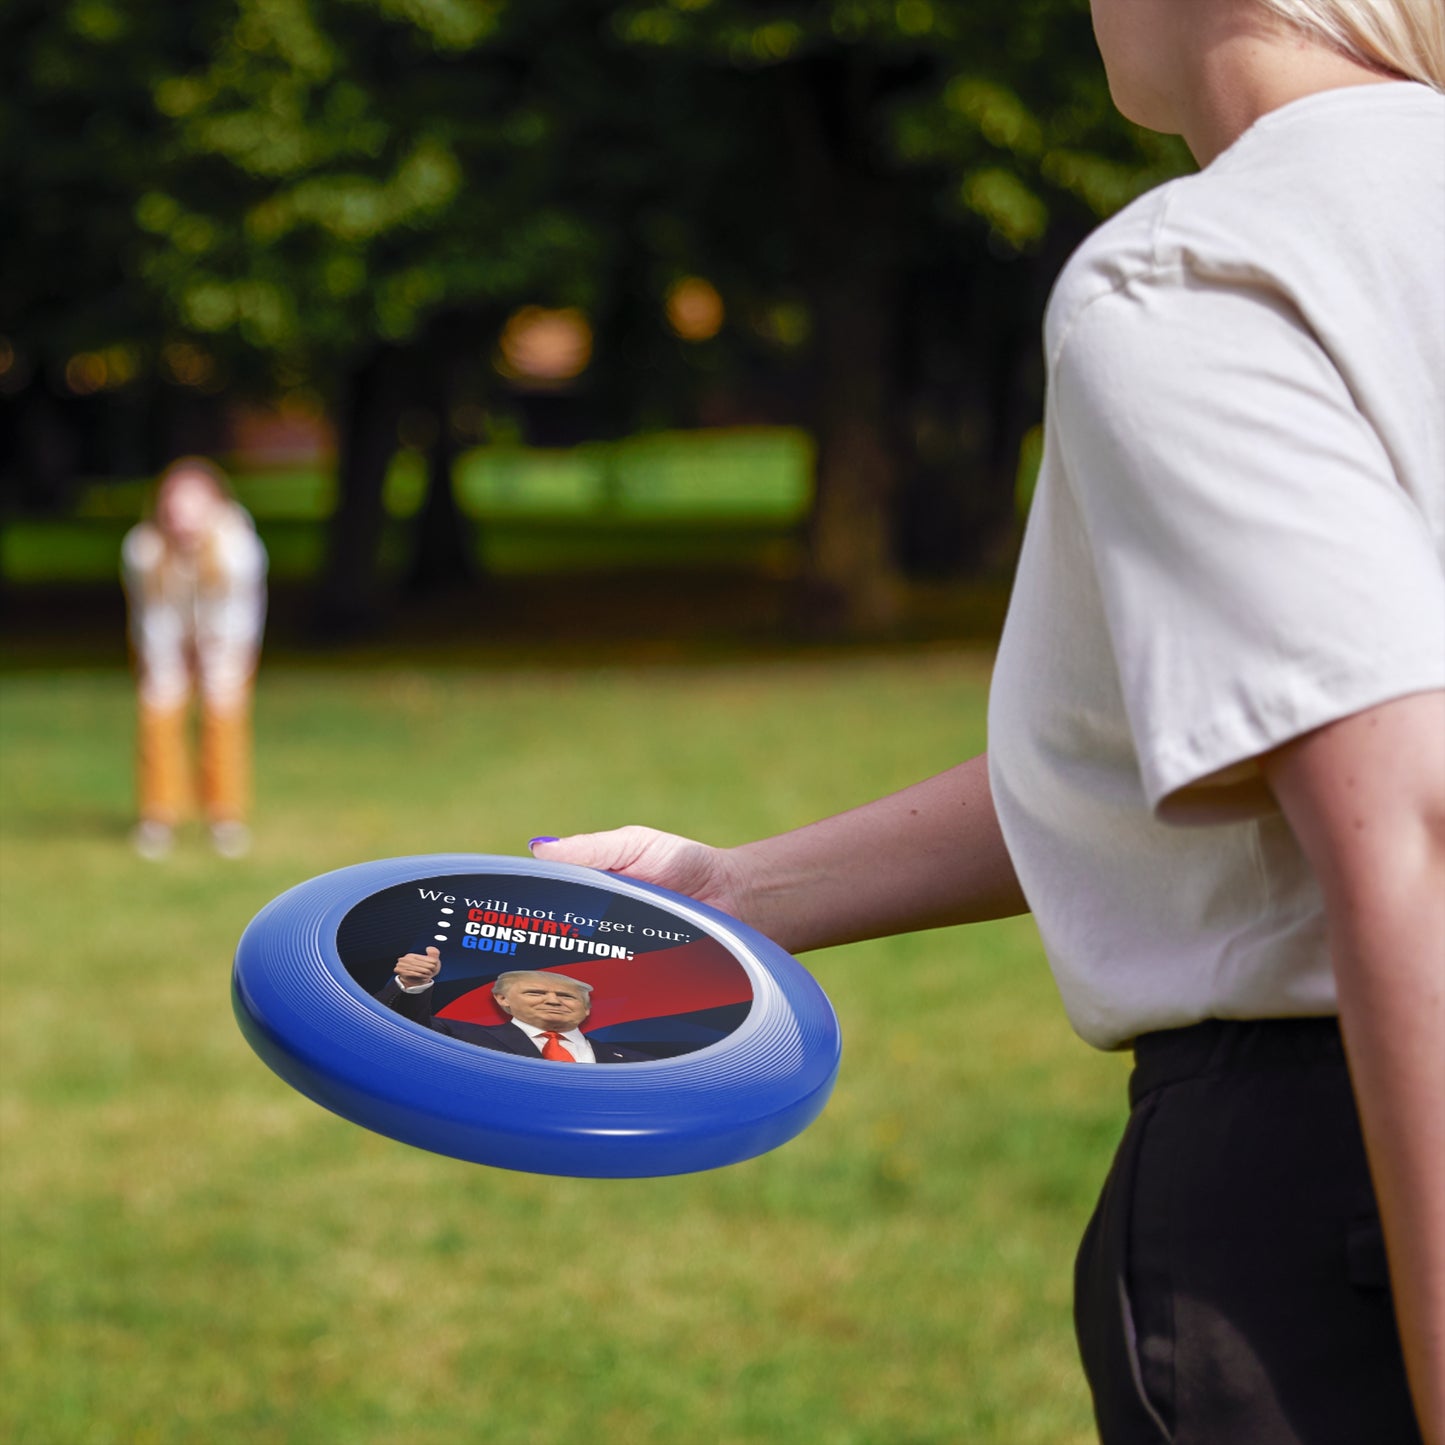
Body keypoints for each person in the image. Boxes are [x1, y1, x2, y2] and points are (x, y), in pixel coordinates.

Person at [526, 2, 1445, 1441]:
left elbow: (1410, 822)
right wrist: (739, 891)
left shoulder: (1204, 270)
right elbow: (1221, 738)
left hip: (1342, 1191)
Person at [121, 457, 267, 860]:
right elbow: (152, 616)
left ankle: (225, 817)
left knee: (223, 717)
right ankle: (158, 816)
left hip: (226, 642)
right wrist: (168, 663)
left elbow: (239, 616)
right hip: (165, 640)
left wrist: (215, 658)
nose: (182, 517)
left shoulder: (239, 548)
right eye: (174, 505)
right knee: (158, 713)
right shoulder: (143, 549)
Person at [377, 953, 653, 1062]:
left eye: (567, 997)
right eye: (535, 992)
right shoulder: (458, 1035)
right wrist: (413, 984)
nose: (553, 1000)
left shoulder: (637, 1063)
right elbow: (401, 1029)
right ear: (502, 1000)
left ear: (587, 1008)